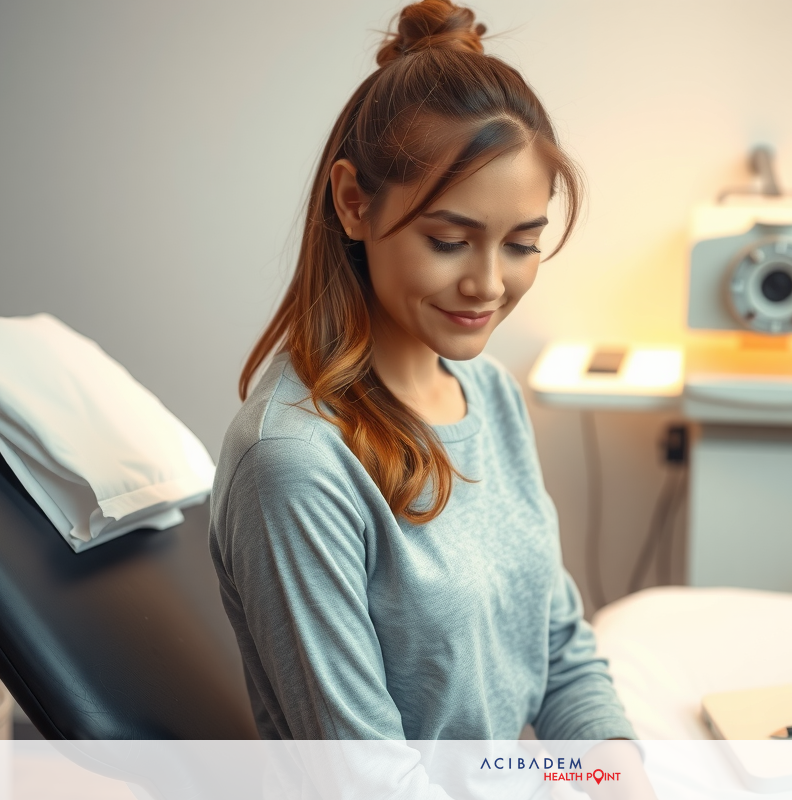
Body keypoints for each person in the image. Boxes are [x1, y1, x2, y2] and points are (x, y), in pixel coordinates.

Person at [209, 4, 655, 789]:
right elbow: (371, 780)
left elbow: (559, 652)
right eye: (448, 241)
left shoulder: (489, 394)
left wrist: (617, 778)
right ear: (354, 203)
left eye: (522, 244)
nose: (489, 284)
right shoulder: (296, 463)